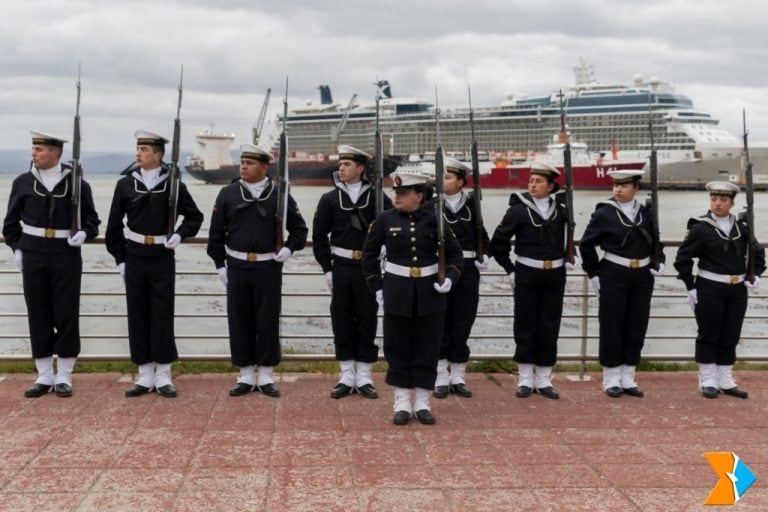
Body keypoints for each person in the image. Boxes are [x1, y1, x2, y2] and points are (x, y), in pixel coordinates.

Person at [105, 130, 203, 398]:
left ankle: (163, 375)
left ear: (158, 155)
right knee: (137, 314)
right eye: (138, 148)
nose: (139, 153)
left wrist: (180, 235)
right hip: (135, 253)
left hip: (162, 255)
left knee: (162, 313)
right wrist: (120, 259)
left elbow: (195, 217)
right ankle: (144, 373)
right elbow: (114, 225)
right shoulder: (126, 184)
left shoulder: (174, 184)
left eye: (145, 149)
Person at [362, 169, 463, 425]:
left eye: (404, 193)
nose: (397, 197)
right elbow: (368, 256)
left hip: (430, 293)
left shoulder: (435, 220)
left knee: (426, 347)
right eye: (396, 192)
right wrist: (377, 288)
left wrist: (450, 278)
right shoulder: (384, 219)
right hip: (397, 291)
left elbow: (455, 256)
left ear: (419, 196)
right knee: (398, 348)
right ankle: (402, 401)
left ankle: (421, 401)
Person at [3, 131, 100, 398]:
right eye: (33, 149)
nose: (34, 153)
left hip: (65, 254)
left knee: (66, 313)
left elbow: (92, 220)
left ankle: (65, 374)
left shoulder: (78, 185)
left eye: (40, 149)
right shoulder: (23, 182)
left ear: (56, 153)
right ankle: (44, 374)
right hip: (33, 253)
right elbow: (10, 224)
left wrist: (85, 233)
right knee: (38, 312)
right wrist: (17, 248)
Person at [207, 144, 308, 398]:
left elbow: (299, 229)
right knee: (239, 320)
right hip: (237, 266)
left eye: (250, 163)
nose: (243, 167)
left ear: (265, 167)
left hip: (268, 266)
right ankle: (245, 374)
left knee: (267, 319)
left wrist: (289, 249)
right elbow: (216, 234)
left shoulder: (280, 195)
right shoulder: (228, 193)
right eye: (242, 162)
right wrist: (220, 264)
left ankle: (265, 374)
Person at [313, 145, 392, 399]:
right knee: (342, 319)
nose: (341, 169)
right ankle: (347, 374)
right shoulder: (329, 199)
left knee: (368, 318)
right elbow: (318, 236)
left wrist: (384, 248)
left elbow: (394, 228)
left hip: (368, 269)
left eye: (347, 165)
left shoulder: (379, 197)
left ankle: (365, 374)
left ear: (360, 168)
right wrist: (327, 268)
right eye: (340, 164)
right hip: (342, 267)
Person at [673, 181, 765, 399]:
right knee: (709, 332)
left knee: (730, 333)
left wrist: (756, 274)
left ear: (732, 203)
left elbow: (757, 253)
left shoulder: (742, 227)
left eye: (723, 200)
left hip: (736, 289)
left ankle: (725, 378)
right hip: (710, 286)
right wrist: (690, 285)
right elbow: (683, 258)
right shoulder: (700, 227)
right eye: (714, 199)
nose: (717, 204)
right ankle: (708, 379)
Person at [578, 169, 665, 398]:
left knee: (636, 326)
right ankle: (611, 378)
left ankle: (628, 376)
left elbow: (656, 239)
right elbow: (586, 245)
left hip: (642, 275)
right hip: (613, 273)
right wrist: (594, 273)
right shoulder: (604, 213)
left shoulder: (646, 212)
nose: (618, 189)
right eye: (615, 185)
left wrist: (660, 260)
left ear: (635, 188)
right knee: (612, 326)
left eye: (624, 185)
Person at [490, 161, 573, 399]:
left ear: (551, 186)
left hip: (555, 273)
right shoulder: (518, 209)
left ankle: (544, 378)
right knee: (525, 324)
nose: (533, 185)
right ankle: (525, 377)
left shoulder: (562, 210)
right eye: (531, 181)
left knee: (550, 323)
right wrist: (510, 269)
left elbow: (568, 238)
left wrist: (569, 255)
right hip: (526, 272)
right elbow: (499, 243)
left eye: (538, 182)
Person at [429, 157, 490, 399]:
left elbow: (482, 235)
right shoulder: (432, 205)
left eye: (448, 177)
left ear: (461, 182)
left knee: (463, 320)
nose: (443, 181)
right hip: (441, 267)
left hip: (467, 269)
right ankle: (440, 374)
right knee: (441, 321)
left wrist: (485, 254)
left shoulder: (472, 205)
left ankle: (458, 375)